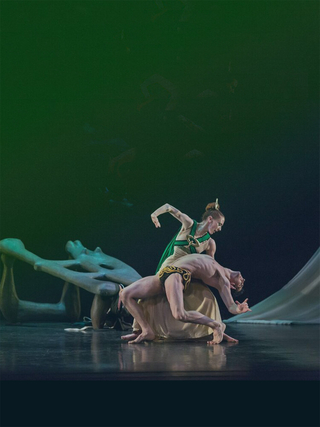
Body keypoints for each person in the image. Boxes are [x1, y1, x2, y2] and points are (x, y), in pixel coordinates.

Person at [123, 200, 241, 343]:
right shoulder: (189, 224)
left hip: (185, 273)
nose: (219, 229)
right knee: (143, 297)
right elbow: (168, 207)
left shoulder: (210, 243)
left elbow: (211, 265)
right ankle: (142, 330)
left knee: (206, 299)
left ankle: (213, 330)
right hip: (167, 268)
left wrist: (225, 279)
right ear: (210, 219)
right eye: (219, 224)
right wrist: (155, 215)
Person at [120, 253, 250, 344]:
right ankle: (147, 330)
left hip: (176, 275)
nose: (243, 279)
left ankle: (216, 325)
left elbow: (230, 306)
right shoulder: (214, 260)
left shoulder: (223, 281)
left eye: (241, 284)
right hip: (164, 273)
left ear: (233, 285)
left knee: (179, 314)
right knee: (125, 294)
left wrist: (239, 309)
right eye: (243, 280)